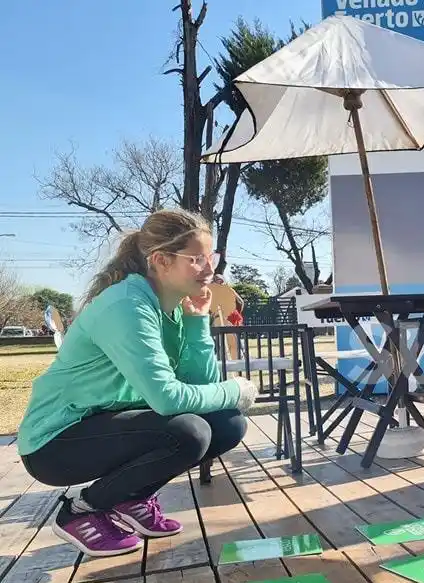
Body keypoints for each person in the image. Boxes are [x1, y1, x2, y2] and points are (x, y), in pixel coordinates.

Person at [17, 208, 259, 556]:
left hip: (109, 425)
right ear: (160, 260)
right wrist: (235, 389)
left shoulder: (173, 308)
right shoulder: (127, 305)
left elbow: (200, 384)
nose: (210, 269)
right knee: (190, 432)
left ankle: (131, 499)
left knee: (226, 423)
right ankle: (81, 508)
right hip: (54, 442)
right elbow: (168, 399)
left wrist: (196, 324)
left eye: (212, 257)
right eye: (196, 259)